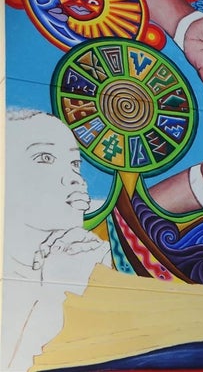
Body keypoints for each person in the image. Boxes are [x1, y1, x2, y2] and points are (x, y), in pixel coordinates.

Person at [4, 110, 113, 371]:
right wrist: (58, 292)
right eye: (44, 158)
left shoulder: (93, 257)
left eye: (75, 163)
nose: (75, 178)